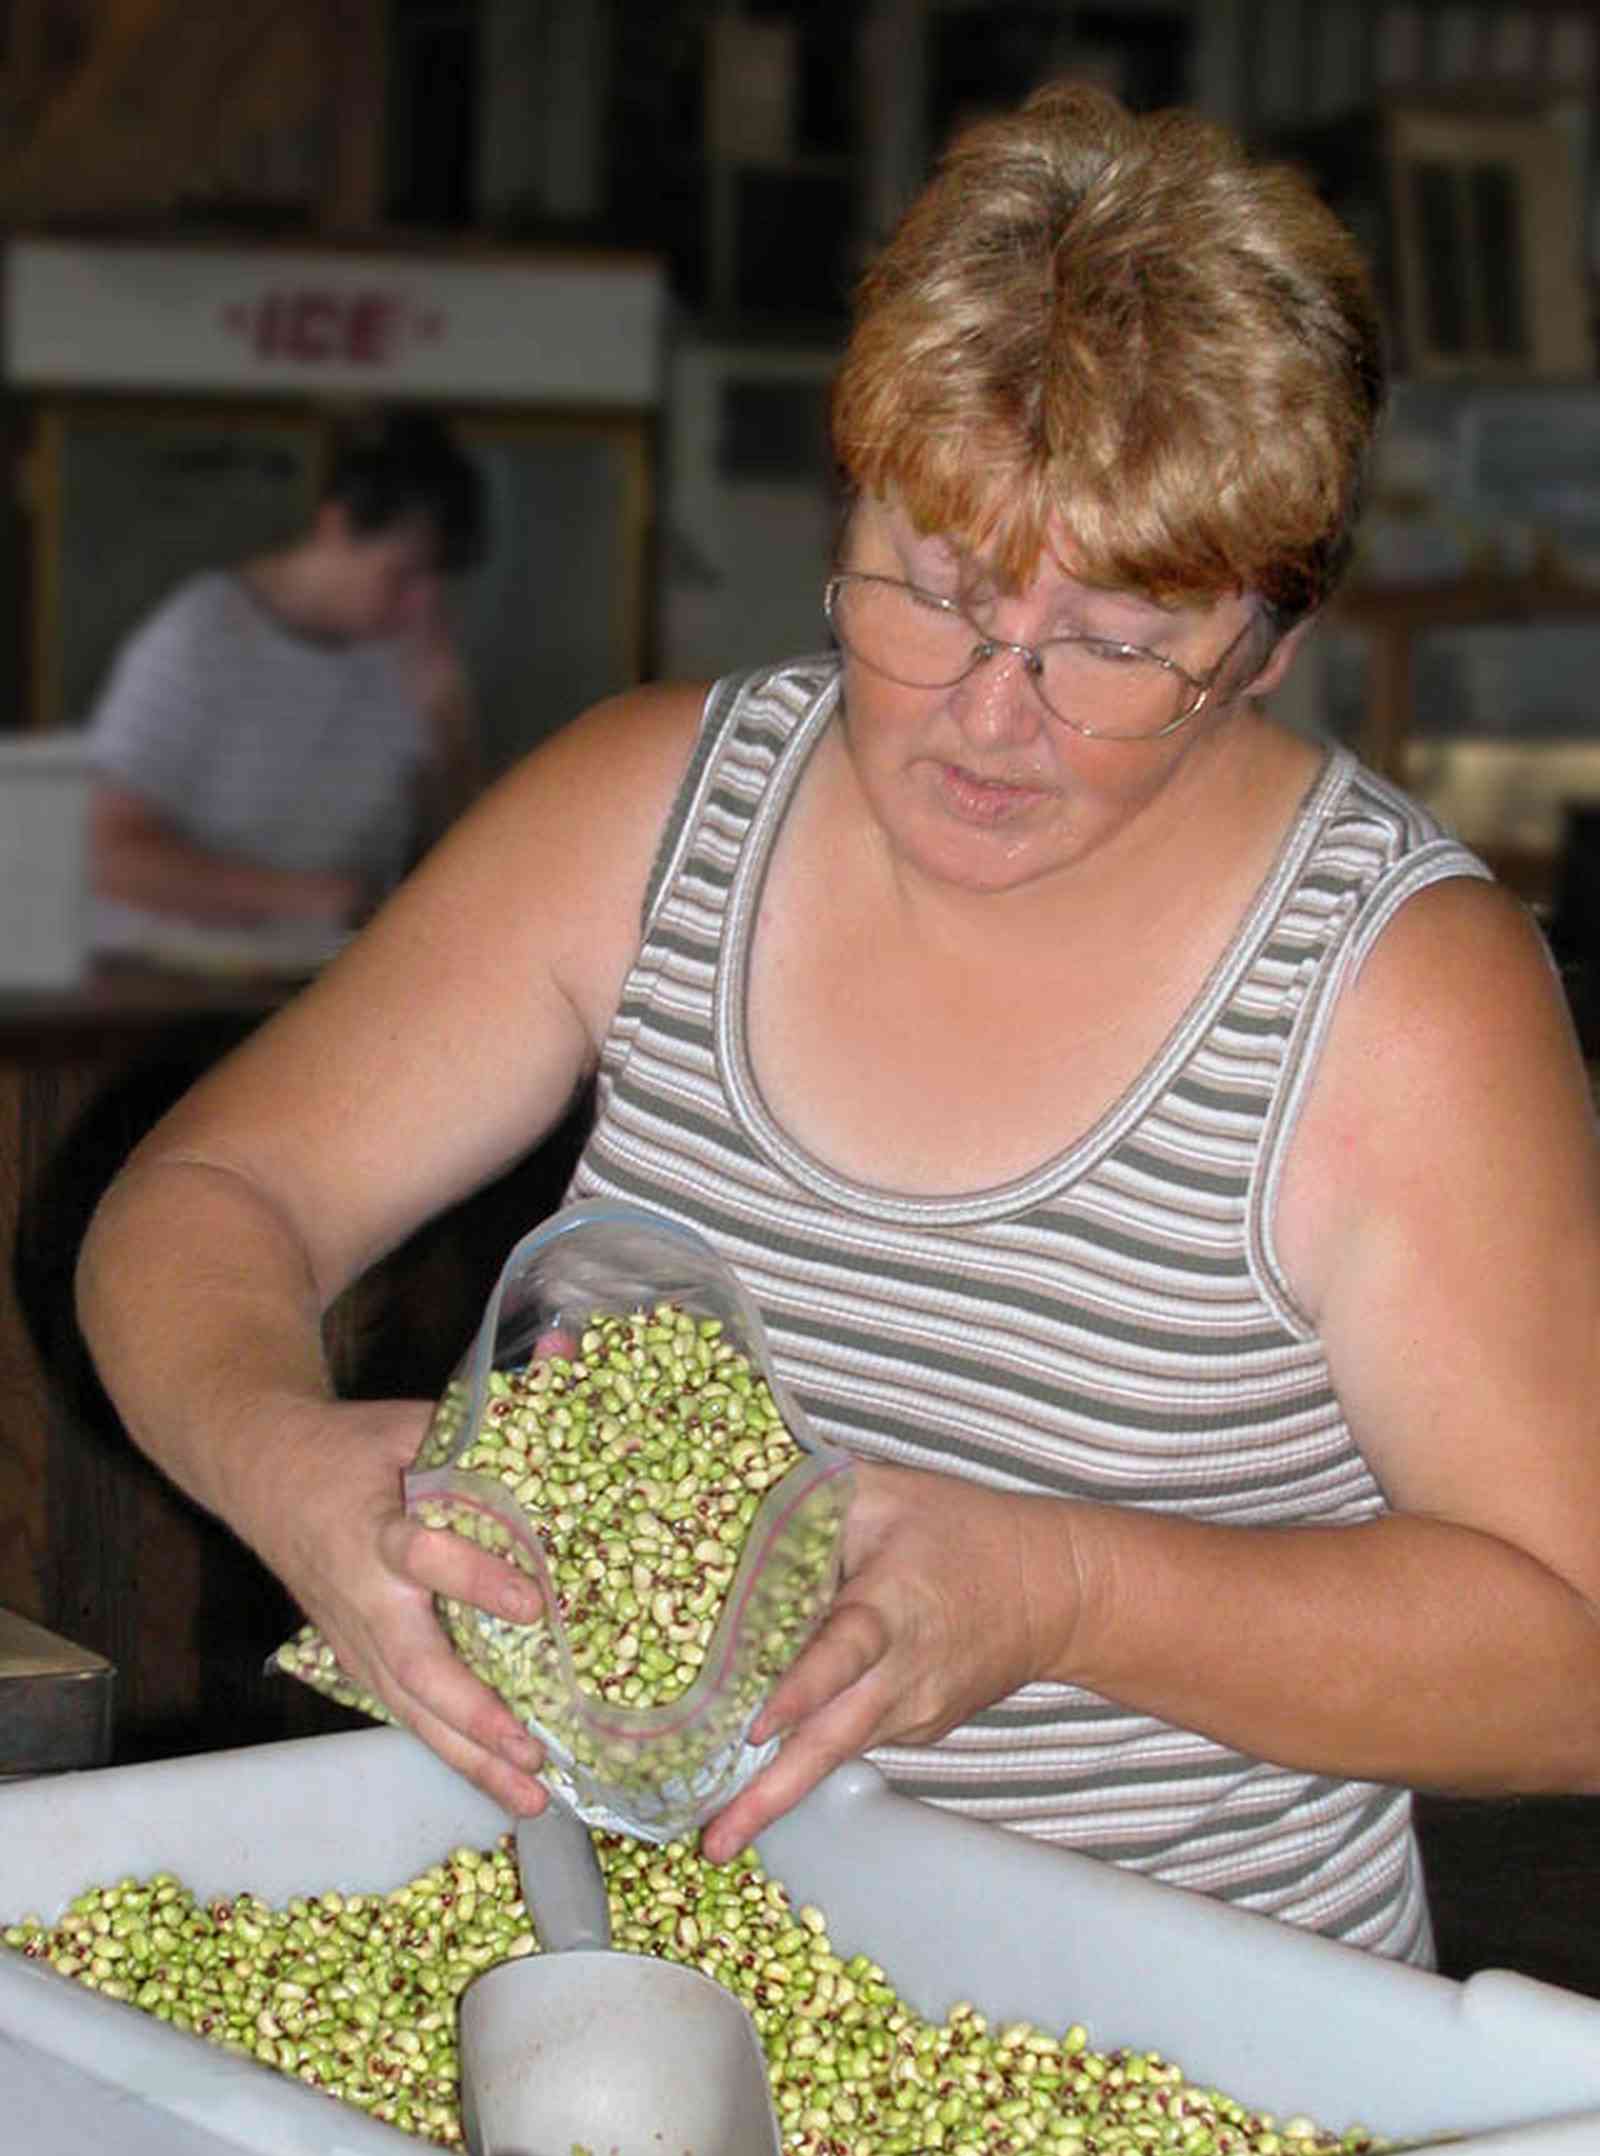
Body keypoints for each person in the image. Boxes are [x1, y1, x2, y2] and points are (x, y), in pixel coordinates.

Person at [75, 83, 1600, 1965]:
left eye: (1120, 641)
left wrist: (1062, 1592)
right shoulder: (654, 819)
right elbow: (210, 1198)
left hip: (1163, 2037)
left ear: (1271, 643)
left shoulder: (1392, 994)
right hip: (627, 1980)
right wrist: (282, 1463)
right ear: (848, 510)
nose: (992, 711)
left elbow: (1567, 1660)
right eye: (934, 591)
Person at [85, 408, 487, 938]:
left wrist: (449, 729)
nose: (418, 609)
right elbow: (107, 853)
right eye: (402, 575)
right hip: (173, 971)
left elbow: (469, 863)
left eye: (436, 586)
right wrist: (311, 898)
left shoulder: (413, 654)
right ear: (336, 525)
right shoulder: (199, 637)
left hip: (336, 967)